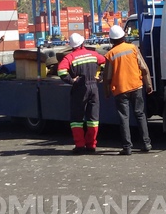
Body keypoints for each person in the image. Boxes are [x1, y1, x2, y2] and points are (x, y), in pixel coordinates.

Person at [104, 24, 153, 155]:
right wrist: (148, 85)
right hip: (136, 86)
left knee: (124, 118)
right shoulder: (133, 48)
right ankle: (146, 143)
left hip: (120, 90)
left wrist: (107, 91)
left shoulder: (110, 54)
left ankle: (127, 147)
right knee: (140, 114)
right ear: (124, 36)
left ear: (111, 40)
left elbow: (107, 77)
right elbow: (144, 68)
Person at [57, 33, 105, 154]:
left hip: (79, 88)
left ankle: (79, 145)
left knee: (76, 119)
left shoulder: (70, 57)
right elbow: (106, 63)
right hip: (93, 87)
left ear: (72, 46)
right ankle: (91, 145)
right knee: (93, 119)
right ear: (83, 43)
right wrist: (101, 76)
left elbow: (61, 71)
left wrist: (71, 80)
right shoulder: (93, 54)